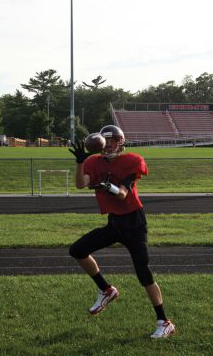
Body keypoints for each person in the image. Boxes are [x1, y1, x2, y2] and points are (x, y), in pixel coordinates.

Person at [69, 125, 175, 339]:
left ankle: (165, 322)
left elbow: (123, 194)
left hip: (134, 224)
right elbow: (81, 184)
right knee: (78, 250)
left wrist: (108, 186)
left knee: (143, 272)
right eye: (105, 140)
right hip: (115, 223)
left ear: (121, 142)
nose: (108, 145)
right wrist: (80, 162)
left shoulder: (131, 160)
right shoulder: (93, 162)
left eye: (113, 140)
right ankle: (106, 290)